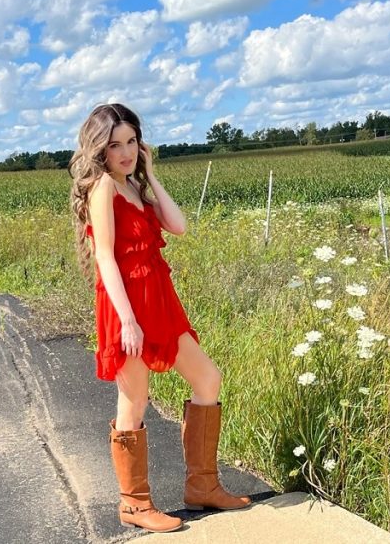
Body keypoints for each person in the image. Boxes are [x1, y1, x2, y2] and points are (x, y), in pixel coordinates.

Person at [68, 103, 250, 533]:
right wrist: (128, 321)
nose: (126, 151)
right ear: (100, 149)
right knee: (134, 400)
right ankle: (134, 504)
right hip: (127, 307)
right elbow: (106, 259)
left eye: (132, 142)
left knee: (208, 378)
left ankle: (202, 486)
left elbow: (179, 226)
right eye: (115, 145)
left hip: (160, 302)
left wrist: (151, 175)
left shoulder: (133, 185)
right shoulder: (103, 190)